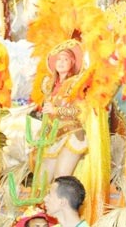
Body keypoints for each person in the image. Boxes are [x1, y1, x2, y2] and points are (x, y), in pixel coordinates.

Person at [37, 40, 88, 183]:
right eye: (58, 59)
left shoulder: (76, 83)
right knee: (41, 180)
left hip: (71, 135)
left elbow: (79, 110)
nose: (61, 62)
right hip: (53, 137)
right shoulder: (50, 86)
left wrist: (56, 110)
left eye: (65, 59)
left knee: (61, 179)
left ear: (72, 63)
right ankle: (39, 206)